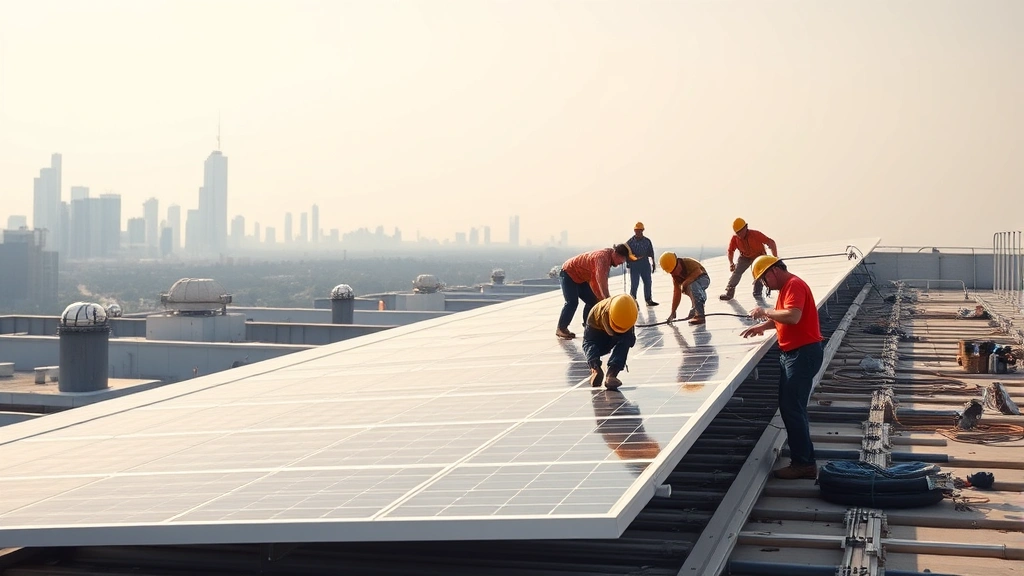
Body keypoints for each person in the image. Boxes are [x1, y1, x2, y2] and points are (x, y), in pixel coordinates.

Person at [740, 255, 823, 480]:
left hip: (802, 354)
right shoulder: (786, 289)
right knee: (791, 408)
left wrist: (764, 312)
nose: (765, 285)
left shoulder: (794, 285)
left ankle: (804, 464)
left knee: (792, 408)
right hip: (793, 354)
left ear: (773, 271)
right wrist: (763, 327)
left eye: (764, 280)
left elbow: (793, 316)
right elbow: (782, 318)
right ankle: (803, 459)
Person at [556, 244, 636, 339]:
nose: (620, 264)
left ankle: (588, 326)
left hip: (581, 278)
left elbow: (596, 284)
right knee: (572, 302)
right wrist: (608, 302)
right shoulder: (602, 259)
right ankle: (561, 329)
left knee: (592, 301)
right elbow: (601, 282)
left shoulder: (608, 257)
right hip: (568, 273)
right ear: (616, 254)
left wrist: (603, 300)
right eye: (622, 260)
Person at [582, 293, 639, 390]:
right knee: (589, 343)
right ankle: (602, 371)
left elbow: (630, 333)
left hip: (616, 322)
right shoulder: (603, 312)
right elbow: (611, 333)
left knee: (625, 340)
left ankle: (606, 373)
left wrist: (629, 336)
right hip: (596, 324)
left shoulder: (631, 311)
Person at [720, 217, 778, 301]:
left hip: (759, 257)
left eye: (741, 231)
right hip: (745, 257)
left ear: (746, 227)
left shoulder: (756, 234)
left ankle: (757, 293)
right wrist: (731, 263)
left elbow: (771, 243)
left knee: (759, 274)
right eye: (737, 233)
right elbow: (730, 251)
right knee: (737, 272)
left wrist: (775, 258)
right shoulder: (735, 239)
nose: (739, 235)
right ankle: (729, 292)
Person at [658, 251, 711, 325]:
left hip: (703, 279)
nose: (673, 273)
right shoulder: (675, 277)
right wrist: (673, 312)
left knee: (692, 285)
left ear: (678, 263)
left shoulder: (687, 262)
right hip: (692, 285)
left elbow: (698, 272)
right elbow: (677, 293)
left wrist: (685, 283)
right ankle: (696, 307)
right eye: (671, 272)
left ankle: (700, 315)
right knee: (689, 287)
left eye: (674, 271)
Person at [626, 222, 658, 307]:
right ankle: (633, 300)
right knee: (634, 283)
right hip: (635, 264)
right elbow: (626, 253)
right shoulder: (630, 242)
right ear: (634, 230)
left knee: (648, 282)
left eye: (639, 230)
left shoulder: (647, 241)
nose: (638, 232)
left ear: (642, 230)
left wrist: (653, 263)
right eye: (636, 230)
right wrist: (629, 262)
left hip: (644, 263)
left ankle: (648, 299)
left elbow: (651, 252)